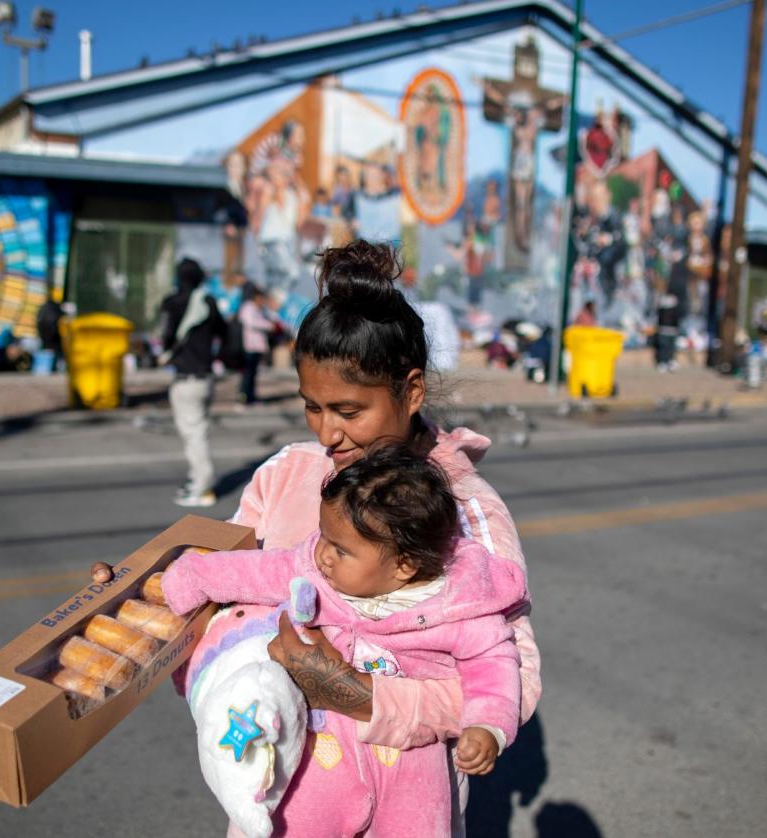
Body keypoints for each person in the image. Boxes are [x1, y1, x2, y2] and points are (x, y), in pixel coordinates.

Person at [93, 239, 541, 834]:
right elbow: (218, 588)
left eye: (349, 411)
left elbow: (513, 678)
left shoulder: (462, 507)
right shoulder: (284, 476)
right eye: (313, 407)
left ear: (409, 392)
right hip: (283, 801)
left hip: (405, 798)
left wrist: (359, 696)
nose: (329, 434)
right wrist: (135, 593)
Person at [162, 443, 522, 836]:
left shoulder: (461, 605)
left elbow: (494, 667)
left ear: (405, 565)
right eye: (324, 538)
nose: (324, 554)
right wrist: (192, 577)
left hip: (412, 765)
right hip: (320, 752)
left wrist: (487, 725)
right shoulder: (315, 569)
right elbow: (256, 570)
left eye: (341, 549)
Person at [160, 257, 227, 507]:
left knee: (194, 434)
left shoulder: (171, 302)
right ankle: (196, 478)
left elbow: (165, 334)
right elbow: (223, 332)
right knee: (197, 430)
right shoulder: (208, 302)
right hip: (206, 376)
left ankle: (202, 486)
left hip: (185, 378)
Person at [237, 282, 279, 405]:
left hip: (256, 347)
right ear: (256, 297)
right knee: (248, 374)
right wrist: (268, 326)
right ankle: (245, 396)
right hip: (248, 346)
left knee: (253, 374)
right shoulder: (247, 307)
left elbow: (273, 318)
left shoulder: (259, 309)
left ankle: (251, 396)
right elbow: (251, 323)